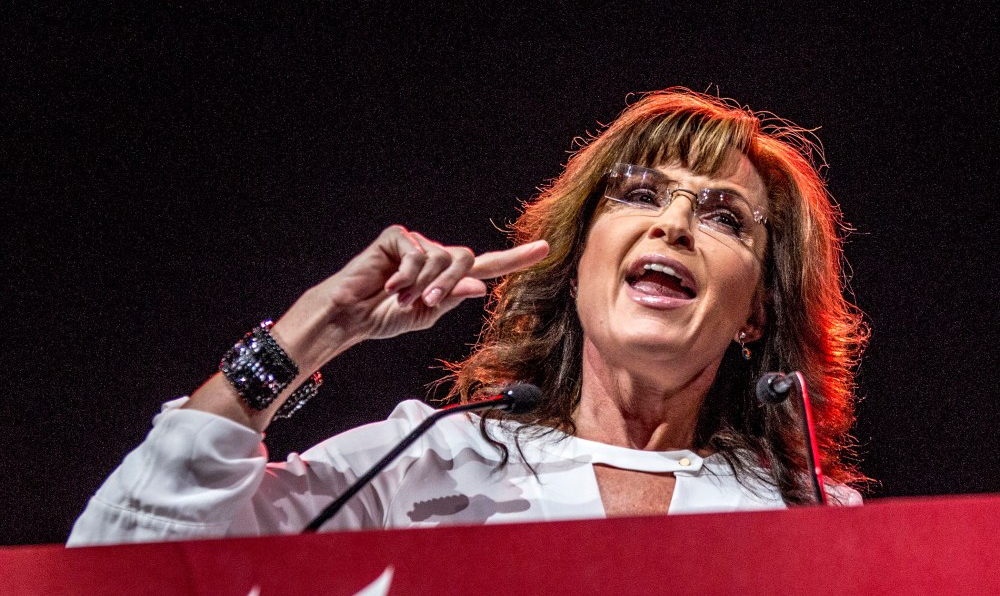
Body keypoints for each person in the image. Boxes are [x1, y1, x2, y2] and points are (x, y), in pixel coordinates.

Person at [68, 88, 867, 546]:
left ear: (756, 311)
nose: (675, 225)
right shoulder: (423, 462)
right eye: (641, 194)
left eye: (724, 216)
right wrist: (312, 334)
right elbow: (116, 563)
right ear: (576, 262)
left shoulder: (814, 524)